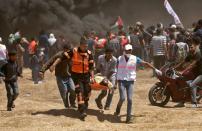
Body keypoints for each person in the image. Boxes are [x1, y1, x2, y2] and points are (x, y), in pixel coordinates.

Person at [51, 36, 95, 121]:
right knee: (79, 92)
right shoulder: (73, 51)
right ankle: (82, 112)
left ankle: (84, 104)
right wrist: (53, 65)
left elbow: (91, 67)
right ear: (80, 45)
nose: (85, 48)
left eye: (86, 46)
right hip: (76, 76)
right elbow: (61, 57)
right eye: (84, 46)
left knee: (87, 92)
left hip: (86, 76)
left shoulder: (89, 53)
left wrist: (92, 77)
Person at [114, 44, 159, 124]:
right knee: (122, 98)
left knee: (130, 99)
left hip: (130, 81)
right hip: (121, 80)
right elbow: (116, 70)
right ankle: (118, 107)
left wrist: (155, 69)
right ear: (124, 50)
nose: (128, 51)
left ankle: (128, 118)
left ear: (131, 50)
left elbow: (145, 63)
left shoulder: (135, 58)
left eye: (130, 50)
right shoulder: (119, 59)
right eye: (127, 50)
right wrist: (115, 83)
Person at [40, 43, 76, 108]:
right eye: (67, 50)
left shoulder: (71, 55)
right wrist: (42, 70)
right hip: (60, 77)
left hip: (69, 76)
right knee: (64, 93)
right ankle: (67, 106)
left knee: (73, 90)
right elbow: (49, 62)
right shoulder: (58, 55)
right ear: (64, 50)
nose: (69, 51)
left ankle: (73, 103)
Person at [174, 36, 201, 107]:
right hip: (195, 74)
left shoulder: (198, 54)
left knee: (192, 85)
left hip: (201, 74)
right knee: (184, 84)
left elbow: (192, 65)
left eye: (192, 45)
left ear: (195, 45)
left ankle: (194, 103)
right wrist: (174, 68)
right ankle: (182, 102)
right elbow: (183, 62)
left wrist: (182, 71)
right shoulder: (191, 54)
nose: (190, 47)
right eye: (190, 45)